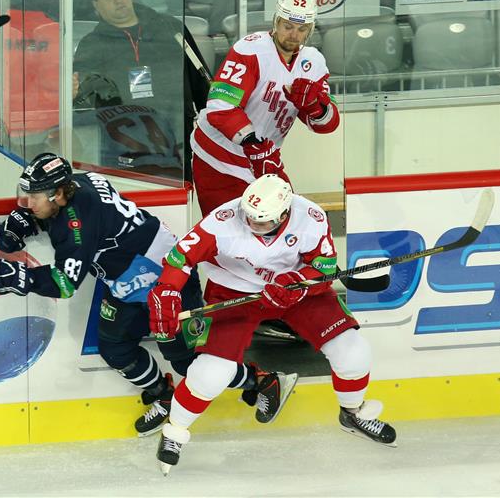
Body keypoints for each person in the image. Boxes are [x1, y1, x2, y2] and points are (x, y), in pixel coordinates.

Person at [0, 153, 296, 436]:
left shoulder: (77, 223)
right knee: (114, 346)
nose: (28, 202)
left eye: (34, 196)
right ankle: (162, 394)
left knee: (188, 361)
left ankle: (263, 380)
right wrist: (29, 221)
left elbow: (65, 283)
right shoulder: (76, 185)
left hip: (165, 278)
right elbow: (59, 217)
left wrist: (19, 276)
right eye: (27, 194)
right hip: (126, 279)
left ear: (59, 193)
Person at [147, 174, 396, 474]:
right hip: (234, 289)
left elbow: (325, 269)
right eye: (248, 218)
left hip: (295, 288)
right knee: (211, 373)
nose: (252, 226)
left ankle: (353, 413)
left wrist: (300, 283)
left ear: (285, 214)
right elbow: (179, 259)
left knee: (353, 350)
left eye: (261, 222)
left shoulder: (311, 217)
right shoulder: (222, 221)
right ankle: (175, 432)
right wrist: (167, 290)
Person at [190, 0, 340, 217]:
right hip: (217, 157)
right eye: (287, 26)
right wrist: (253, 144)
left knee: (287, 225)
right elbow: (220, 107)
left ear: (310, 30)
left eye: (301, 29)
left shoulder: (313, 62)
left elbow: (326, 125)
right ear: (276, 22)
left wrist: (314, 106)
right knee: (228, 237)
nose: (293, 35)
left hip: (262, 161)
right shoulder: (250, 50)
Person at [72, 0, 209, 180]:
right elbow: (83, 106)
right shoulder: (91, 46)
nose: (118, 0)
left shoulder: (171, 28)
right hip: (121, 153)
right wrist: (72, 95)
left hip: (178, 148)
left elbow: (202, 84)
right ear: (95, 5)